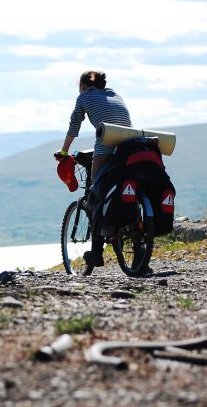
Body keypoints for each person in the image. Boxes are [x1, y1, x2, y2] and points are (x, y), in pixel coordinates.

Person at [56, 70, 132, 271]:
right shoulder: (114, 94)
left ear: (83, 85)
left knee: (96, 195)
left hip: (106, 147)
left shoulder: (84, 97)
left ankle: (96, 253)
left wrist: (64, 151)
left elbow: (74, 126)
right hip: (130, 147)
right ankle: (139, 248)